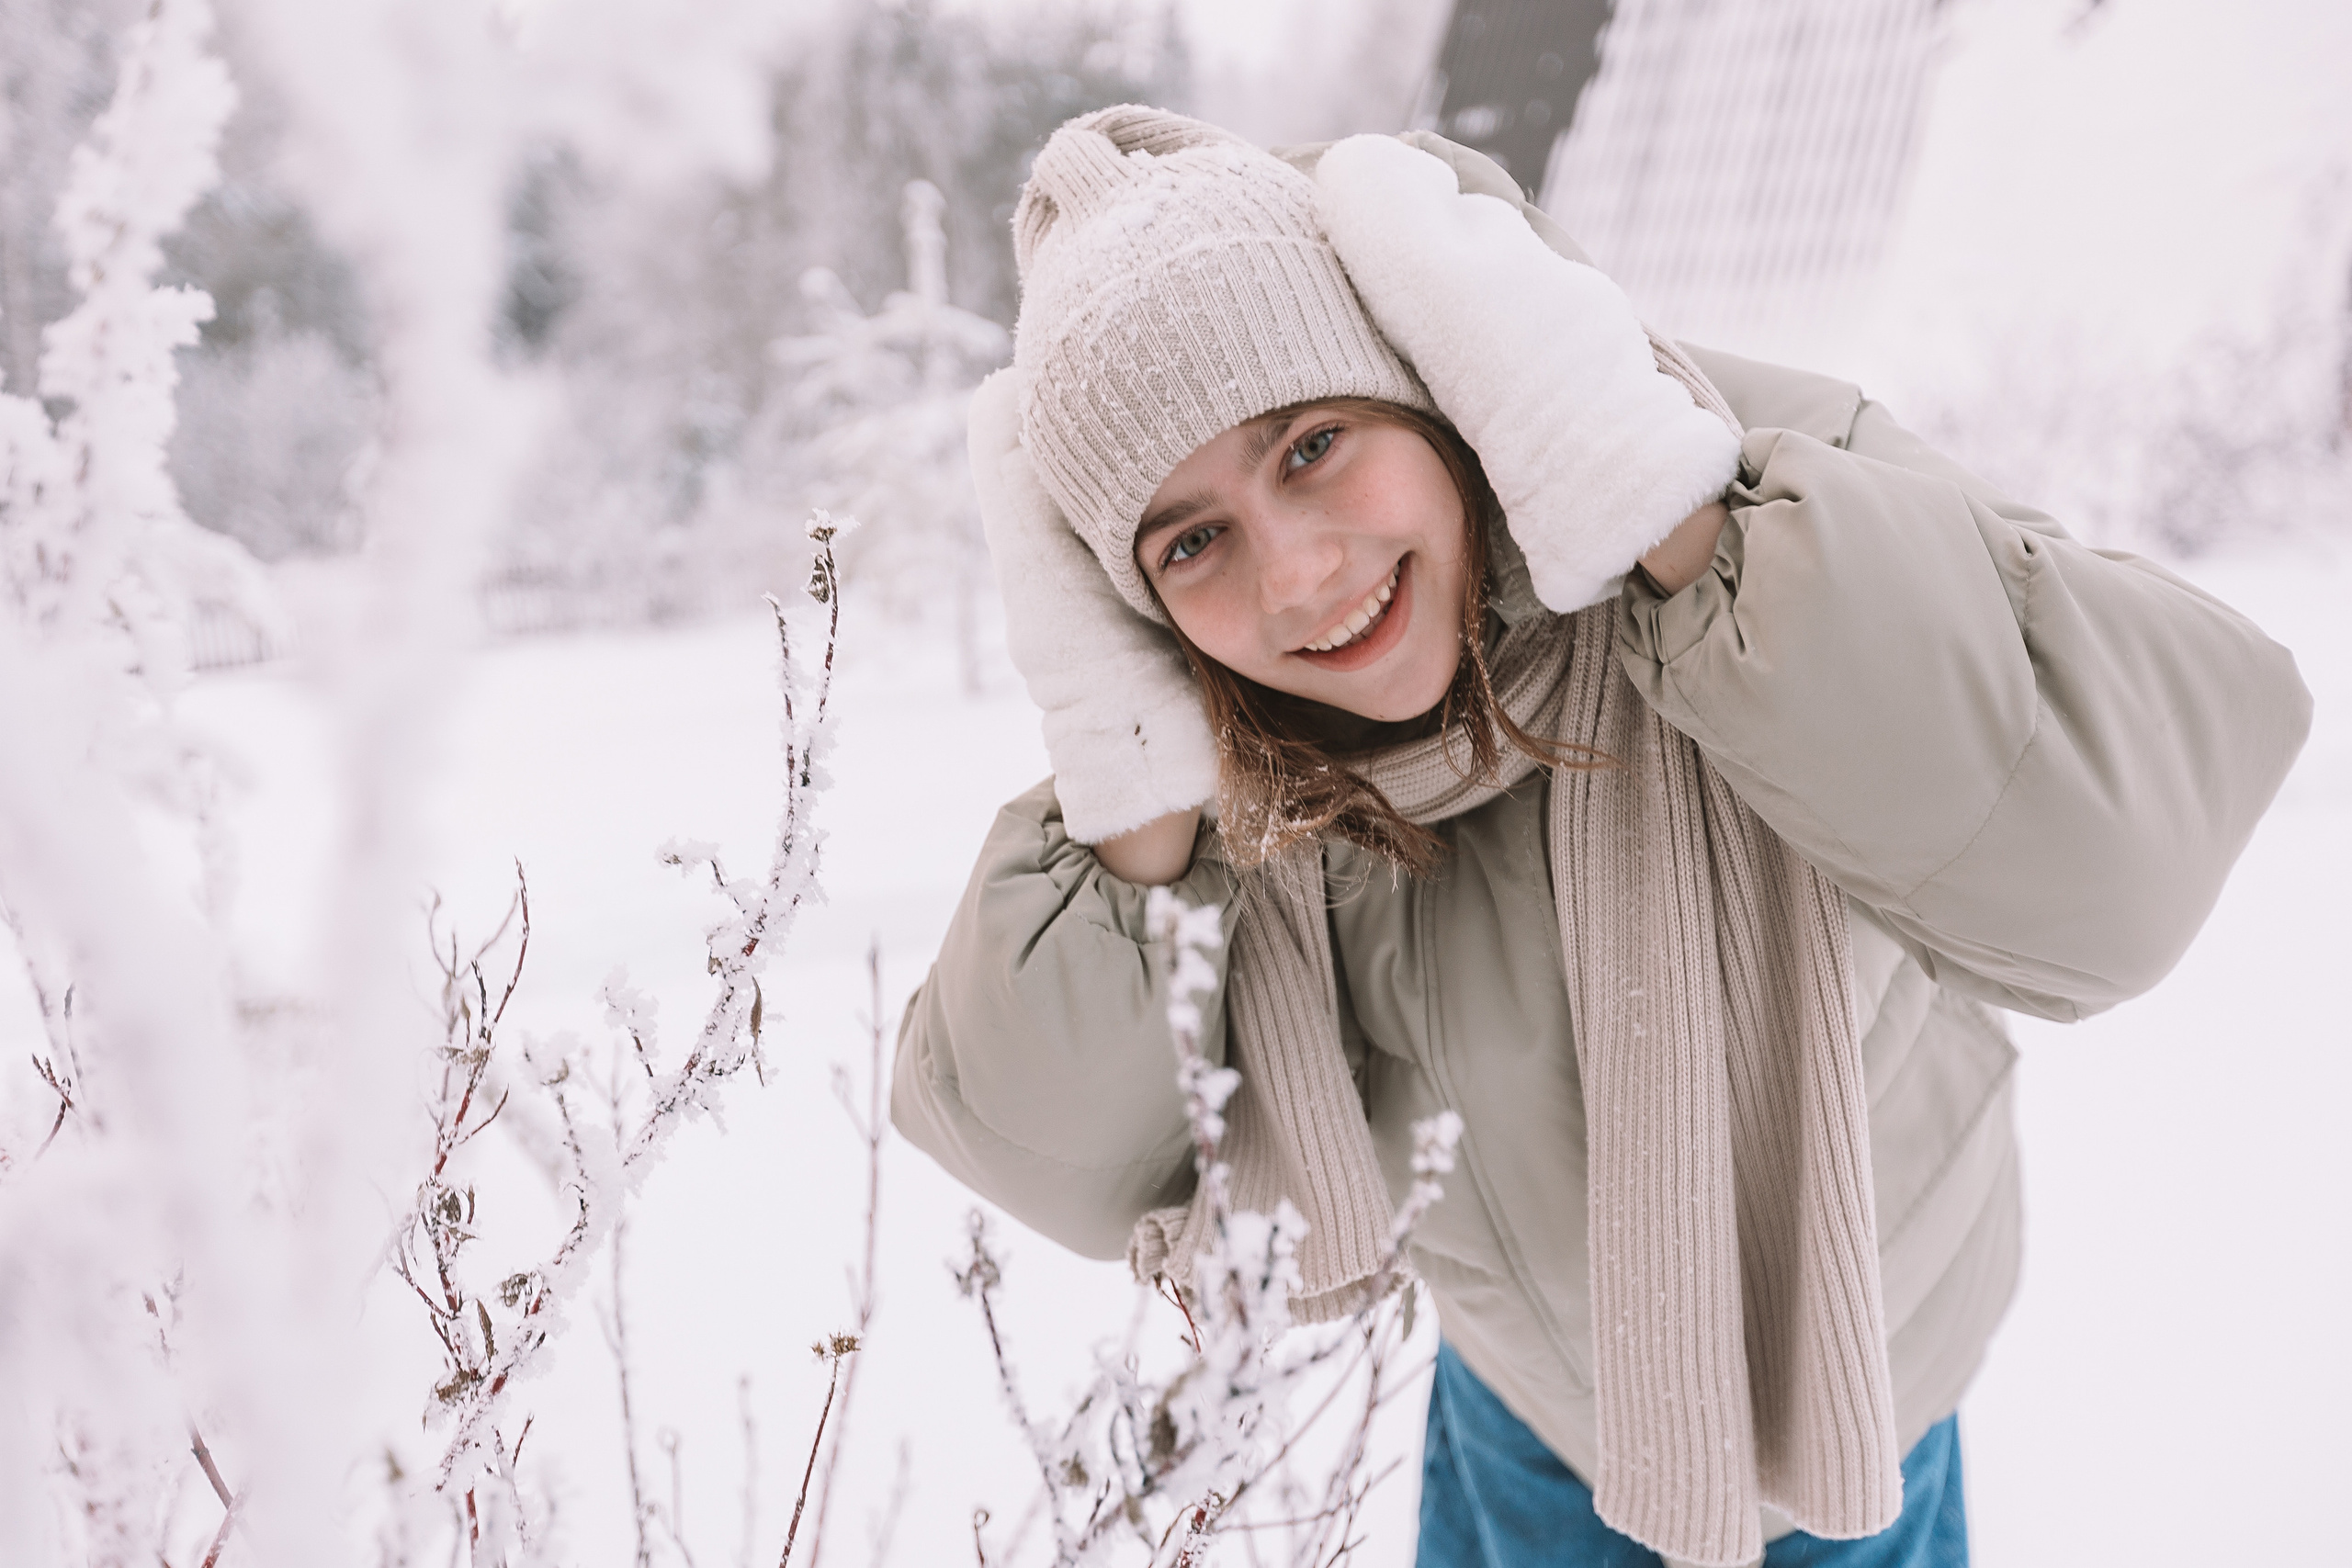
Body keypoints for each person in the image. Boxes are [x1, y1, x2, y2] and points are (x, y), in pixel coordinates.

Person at [889, 106, 2312, 1568]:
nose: (1300, 578)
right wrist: (1126, 781)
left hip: (1855, 1392)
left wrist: (1667, 518)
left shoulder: (1769, 479)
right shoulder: (1228, 764)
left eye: (1313, 443)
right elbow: (1066, 1158)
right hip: (1525, 1418)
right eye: (1191, 540)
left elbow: (2116, 866)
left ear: (1427, 384)